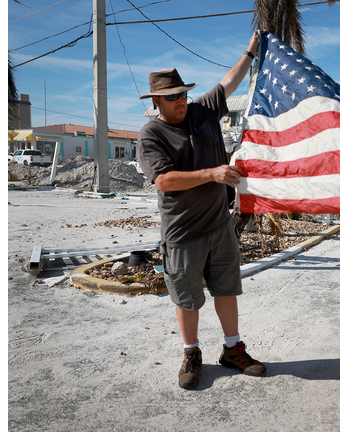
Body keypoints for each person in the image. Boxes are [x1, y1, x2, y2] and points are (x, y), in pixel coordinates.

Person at [136, 32, 264, 390]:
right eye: (173, 97)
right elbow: (164, 181)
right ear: (157, 102)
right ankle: (191, 353)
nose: (182, 100)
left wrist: (250, 51)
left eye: (184, 93)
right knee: (188, 298)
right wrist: (212, 173)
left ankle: (232, 350)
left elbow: (229, 81)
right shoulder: (151, 135)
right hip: (183, 234)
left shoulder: (202, 112)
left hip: (219, 227)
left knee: (227, 290)